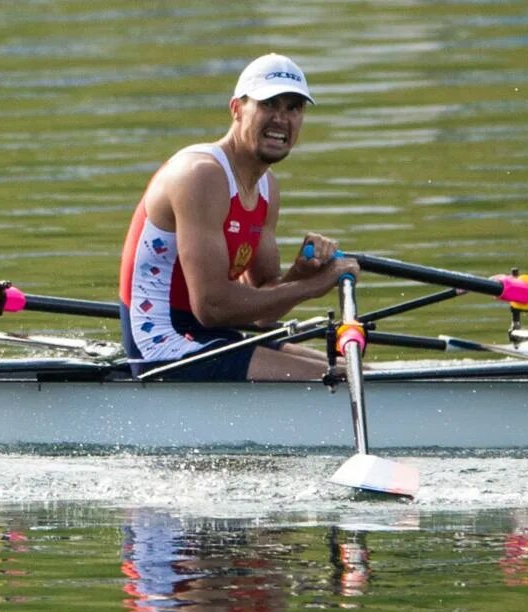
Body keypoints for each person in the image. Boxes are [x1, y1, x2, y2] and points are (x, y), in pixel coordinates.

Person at [119, 53, 359, 381]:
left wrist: (301, 275)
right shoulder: (199, 176)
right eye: (269, 104)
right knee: (346, 378)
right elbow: (212, 307)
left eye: (293, 108)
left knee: (360, 371)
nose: (281, 119)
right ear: (236, 109)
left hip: (210, 339)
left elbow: (261, 311)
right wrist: (313, 287)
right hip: (161, 347)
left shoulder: (266, 188)